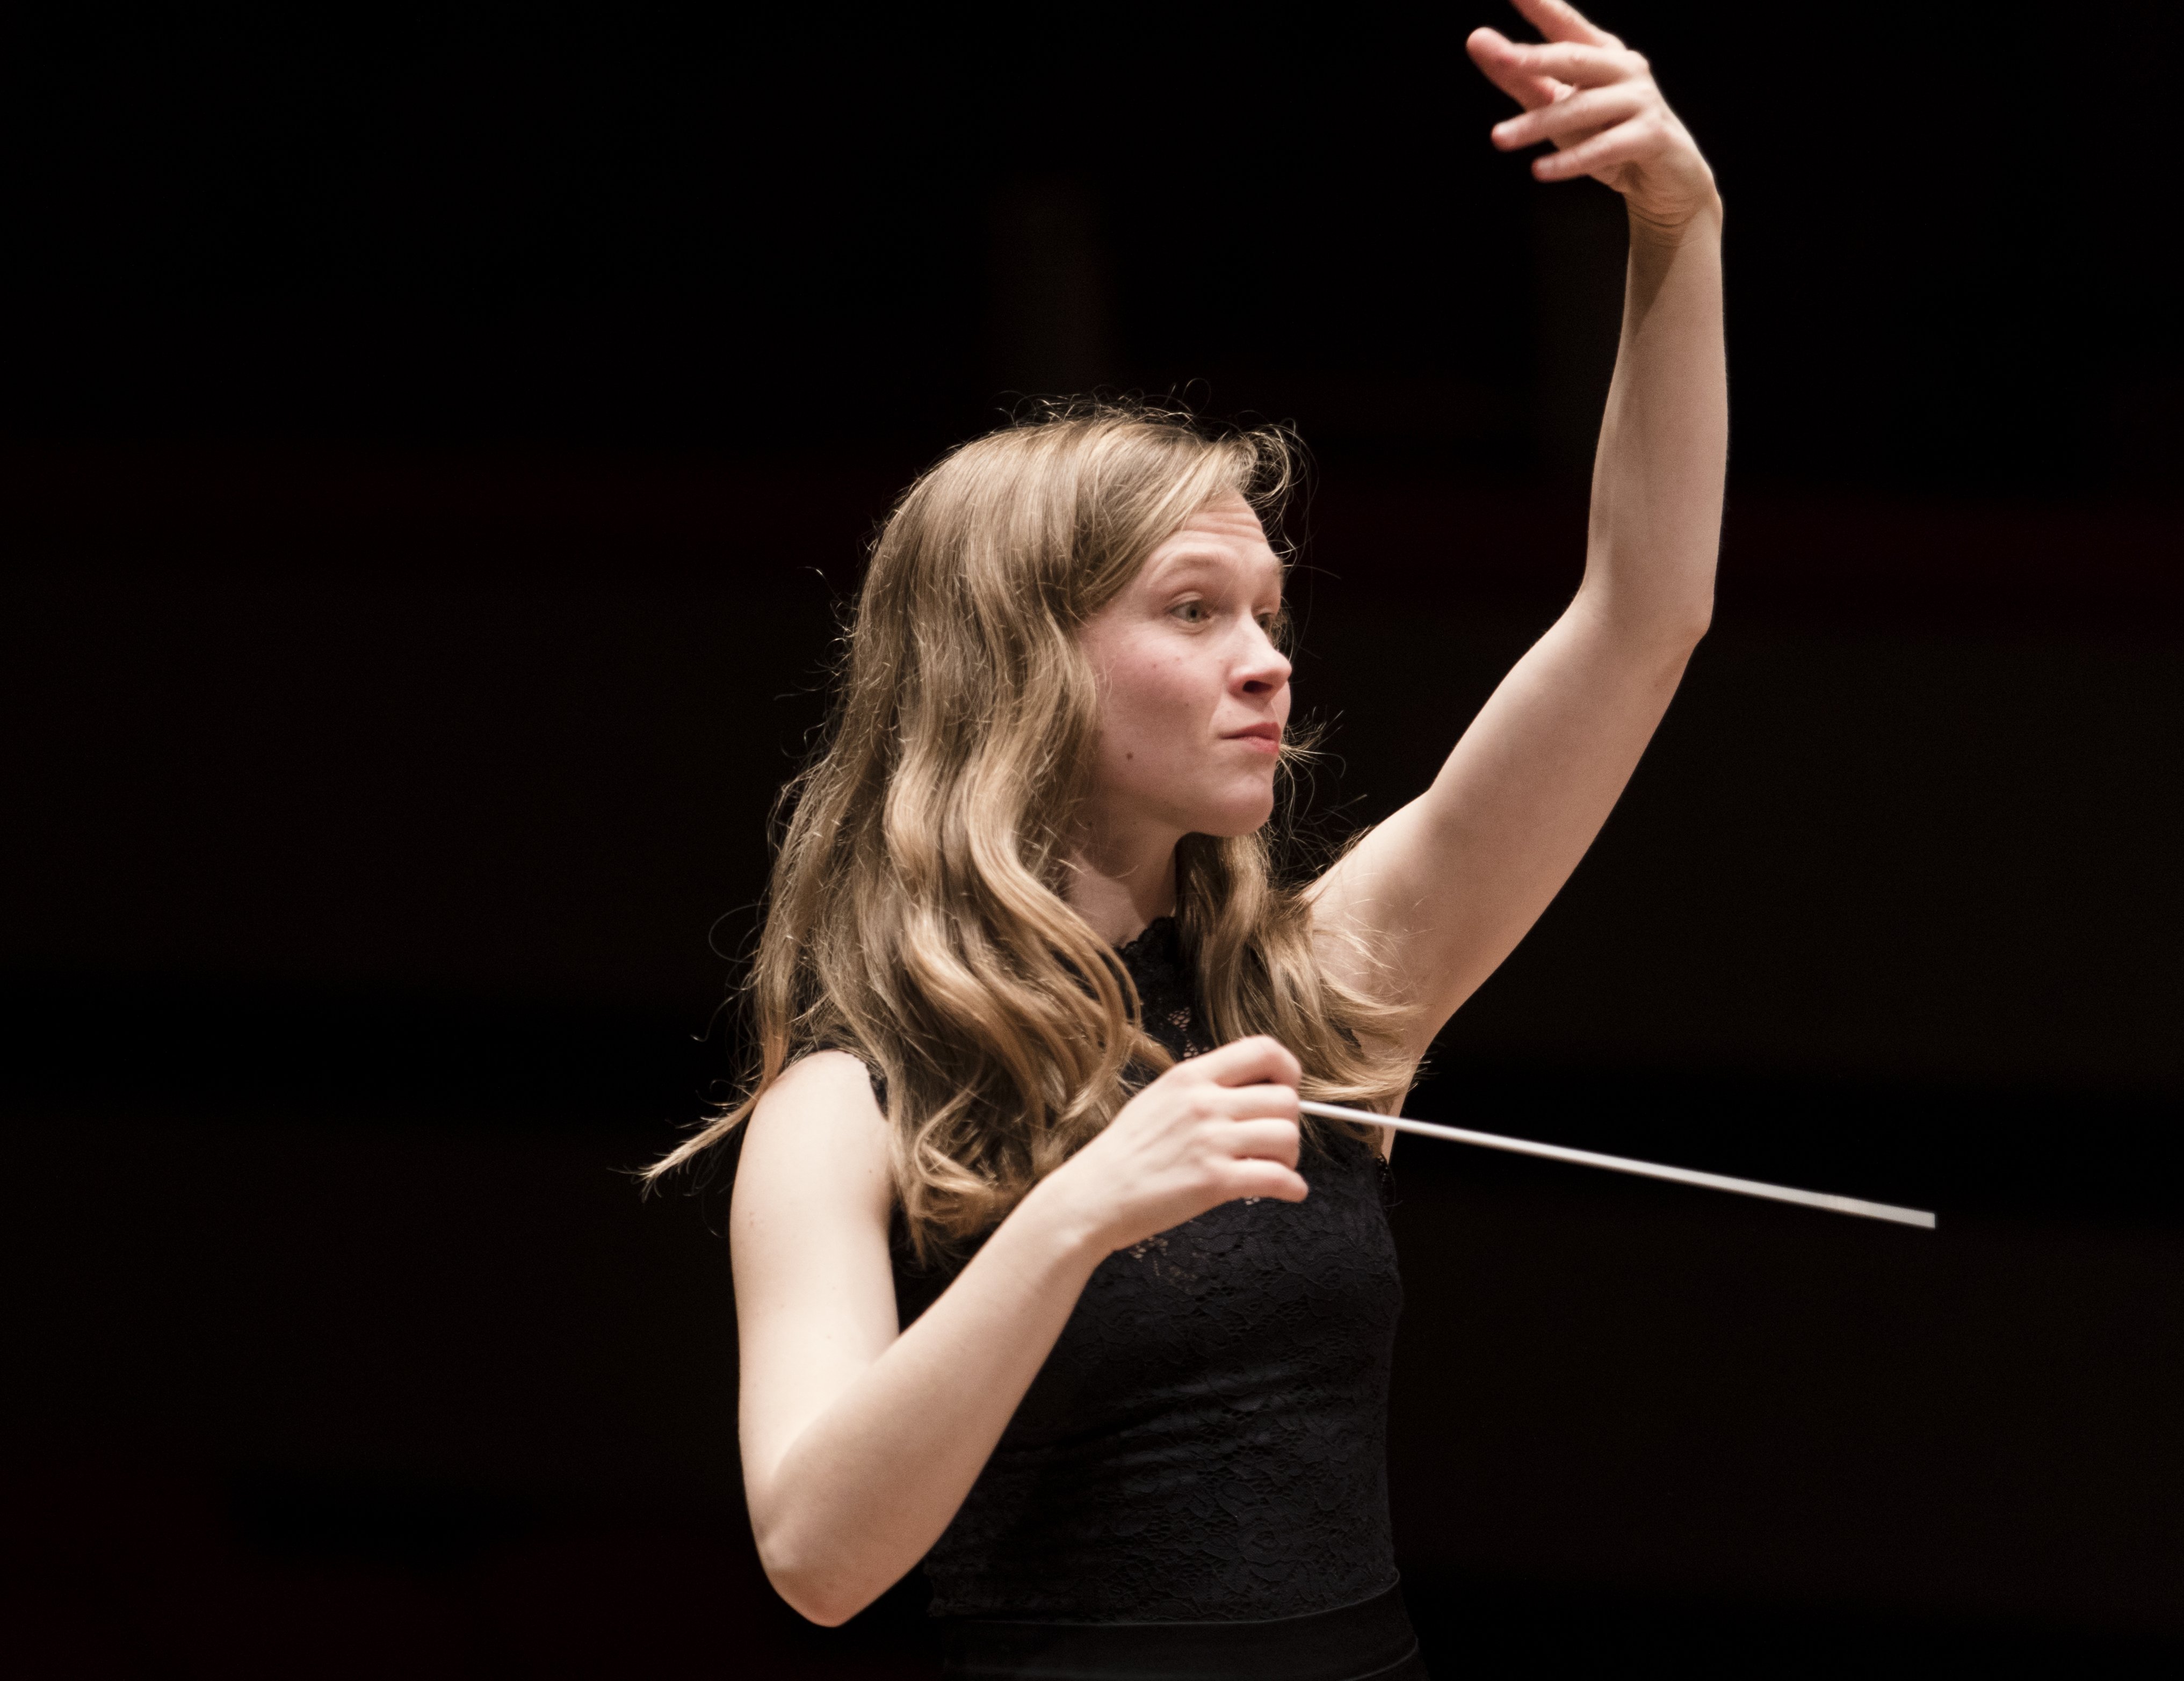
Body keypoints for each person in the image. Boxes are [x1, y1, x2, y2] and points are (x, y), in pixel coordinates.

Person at [648, 3, 1722, 1675]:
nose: (1269, 659)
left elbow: (1642, 615)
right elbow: (816, 1556)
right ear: (1020, 664)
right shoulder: (851, 1103)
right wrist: (1076, 1212)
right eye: (1197, 609)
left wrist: (1679, 227)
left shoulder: (1322, 992)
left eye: (1271, 612)